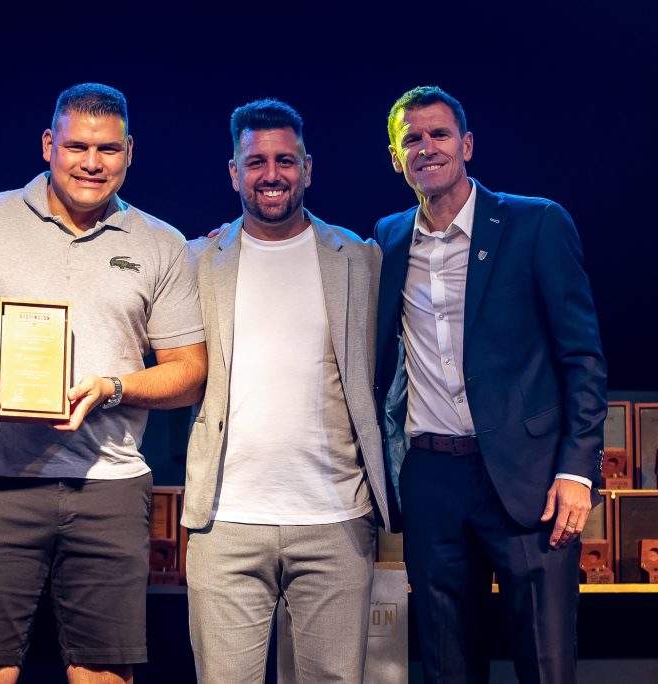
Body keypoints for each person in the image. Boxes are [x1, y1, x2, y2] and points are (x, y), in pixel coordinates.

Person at [0, 82, 207, 684]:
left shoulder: (161, 243)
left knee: (104, 673)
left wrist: (113, 388)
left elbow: (189, 371)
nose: (92, 163)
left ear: (129, 152)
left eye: (108, 149)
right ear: (48, 144)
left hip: (109, 488)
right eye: (76, 147)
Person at [374, 85, 607, 683]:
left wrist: (577, 471)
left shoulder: (536, 222)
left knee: (545, 663)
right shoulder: (388, 239)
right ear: (397, 158)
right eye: (412, 139)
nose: (427, 147)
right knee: (446, 666)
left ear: (468, 145)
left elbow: (582, 357)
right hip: (431, 480)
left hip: (530, 479)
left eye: (440, 134)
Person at [182, 98, 396, 684]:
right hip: (224, 523)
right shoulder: (196, 261)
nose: (271, 174)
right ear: (234, 172)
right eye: (256, 162)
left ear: (308, 168)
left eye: (285, 160)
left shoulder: (362, 259)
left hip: (337, 521)